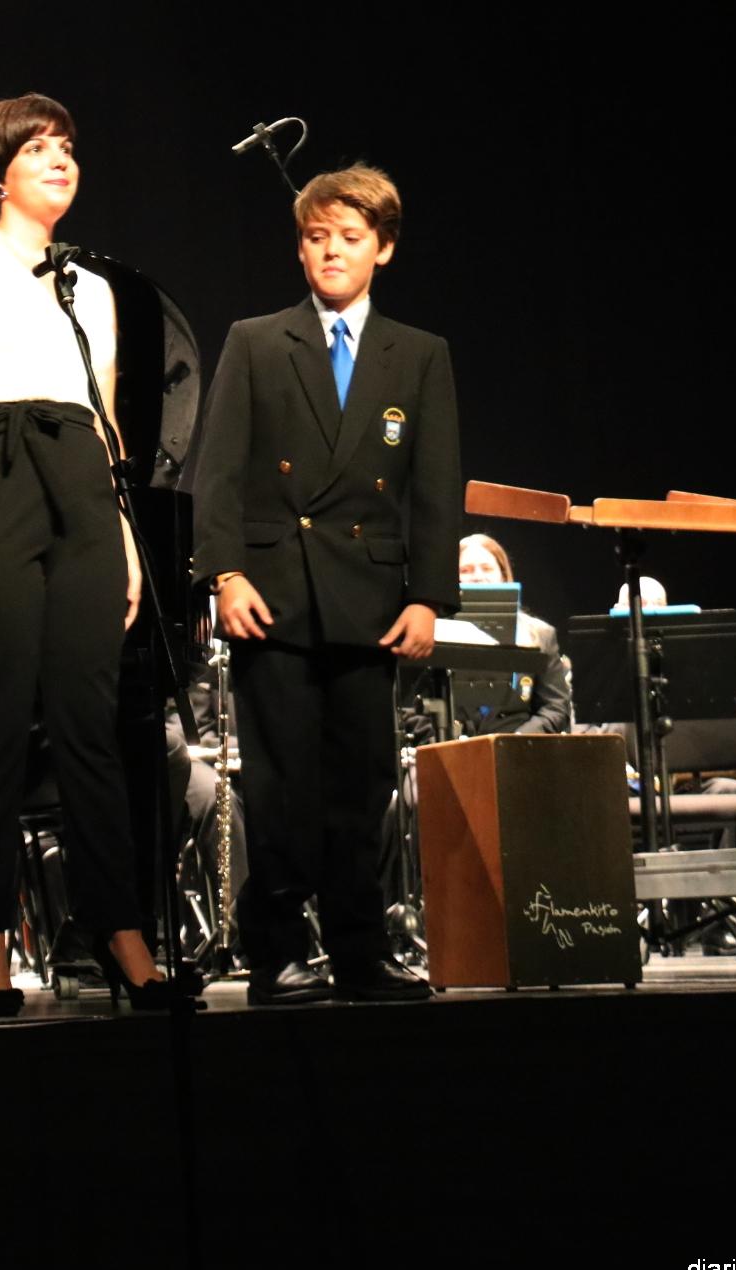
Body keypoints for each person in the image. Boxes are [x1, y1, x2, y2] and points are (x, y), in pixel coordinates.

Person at [0, 93, 185, 1015]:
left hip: (82, 493)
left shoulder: (91, 290)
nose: (60, 158)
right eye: (38, 148)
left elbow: (105, 423)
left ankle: (119, 931)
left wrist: (126, 538)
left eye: (67, 145)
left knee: (92, 727)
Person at [191, 164, 461, 1004]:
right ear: (299, 249)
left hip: (370, 600)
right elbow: (217, 471)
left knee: (362, 784)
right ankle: (275, 953)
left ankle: (359, 951)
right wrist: (225, 575)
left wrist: (428, 596)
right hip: (272, 592)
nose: (332, 251)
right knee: (279, 786)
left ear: (384, 248)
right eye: (317, 237)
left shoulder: (419, 354)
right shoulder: (257, 340)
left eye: (350, 237)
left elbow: (434, 487)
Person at [455, 533, 571, 733]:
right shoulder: (434, 632)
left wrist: (516, 741)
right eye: (466, 570)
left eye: (487, 568)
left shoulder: (540, 635)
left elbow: (555, 708)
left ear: (503, 575)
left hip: (519, 748)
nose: (477, 577)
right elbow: (415, 708)